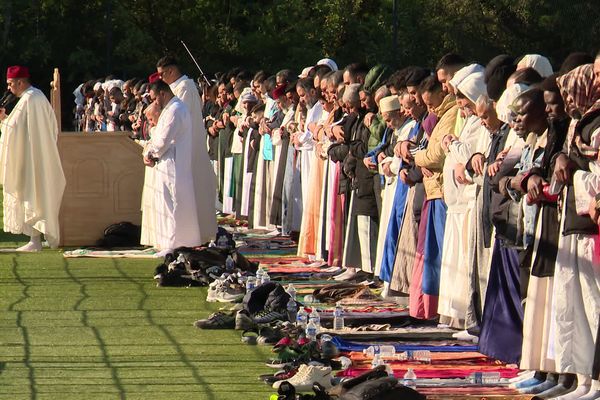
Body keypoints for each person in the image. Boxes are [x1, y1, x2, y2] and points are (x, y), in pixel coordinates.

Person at [0, 66, 66, 251]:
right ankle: (34, 240)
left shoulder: (31, 98)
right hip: (30, 156)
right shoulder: (31, 98)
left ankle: (35, 241)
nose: (9, 88)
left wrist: (4, 122)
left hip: (33, 157)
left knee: (33, 195)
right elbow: (18, 127)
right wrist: (5, 120)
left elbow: (18, 130)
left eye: (11, 84)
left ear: (20, 82)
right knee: (31, 195)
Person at [156, 56, 217, 244]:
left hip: (186, 149)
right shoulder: (175, 89)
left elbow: (176, 119)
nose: (160, 79)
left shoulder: (185, 89)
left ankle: (191, 236)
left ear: (171, 71)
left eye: (162, 75)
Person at [143, 79, 202, 256]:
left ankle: (173, 243)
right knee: (169, 203)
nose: (154, 103)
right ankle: (172, 242)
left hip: (173, 163)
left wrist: (150, 153)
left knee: (172, 204)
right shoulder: (171, 109)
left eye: (155, 98)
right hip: (169, 162)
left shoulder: (175, 109)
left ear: (162, 93)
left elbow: (163, 140)